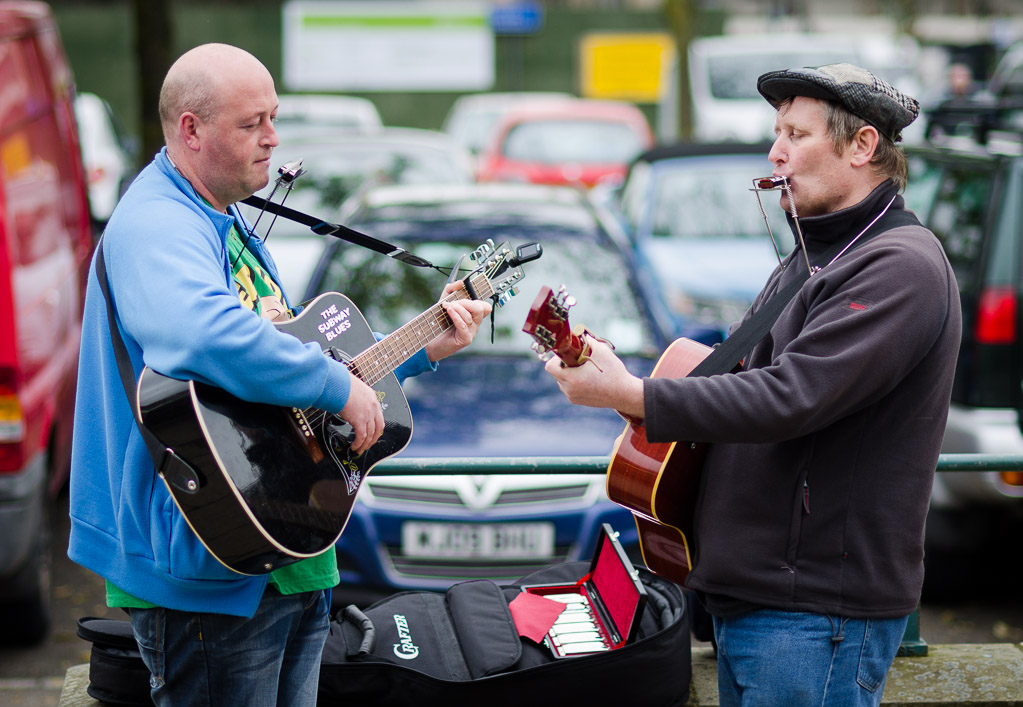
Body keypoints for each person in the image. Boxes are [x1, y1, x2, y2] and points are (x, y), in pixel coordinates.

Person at [67, 43, 491, 706]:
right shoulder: (156, 222)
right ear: (190, 129)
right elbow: (201, 335)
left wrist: (419, 348)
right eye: (250, 123)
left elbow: (285, 363)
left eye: (273, 118)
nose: (271, 139)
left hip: (281, 550)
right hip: (206, 559)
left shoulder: (226, 218)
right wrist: (337, 388)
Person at [544, 63, 961, 706]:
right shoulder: (818, 251)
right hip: (763, 601)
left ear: (862, 145)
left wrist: (631, 396)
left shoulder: (899, 265)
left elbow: (791, 395)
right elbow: (743, 376)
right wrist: (617, 369)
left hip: (817, 613)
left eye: (796, 133)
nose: (776, 151)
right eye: (777, 132)